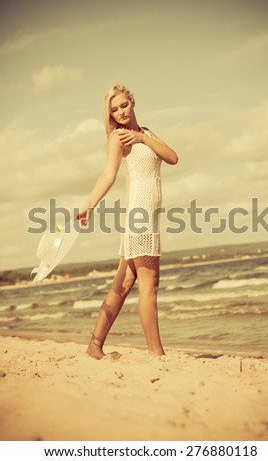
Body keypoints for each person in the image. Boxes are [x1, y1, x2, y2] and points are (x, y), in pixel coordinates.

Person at [77, 84, 178, 359]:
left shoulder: (145, 133)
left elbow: (173, 157)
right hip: (139, 216)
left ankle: (94, 346)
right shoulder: (117, 138)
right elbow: (108, 174)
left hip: (147, 216)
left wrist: (144, 140)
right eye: (114, 109)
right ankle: (156, 353)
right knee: (150, 284)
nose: (120, 112)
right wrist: (89, 204)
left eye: (123, 105)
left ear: (132, 102)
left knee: (123, 284)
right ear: (109, 114)